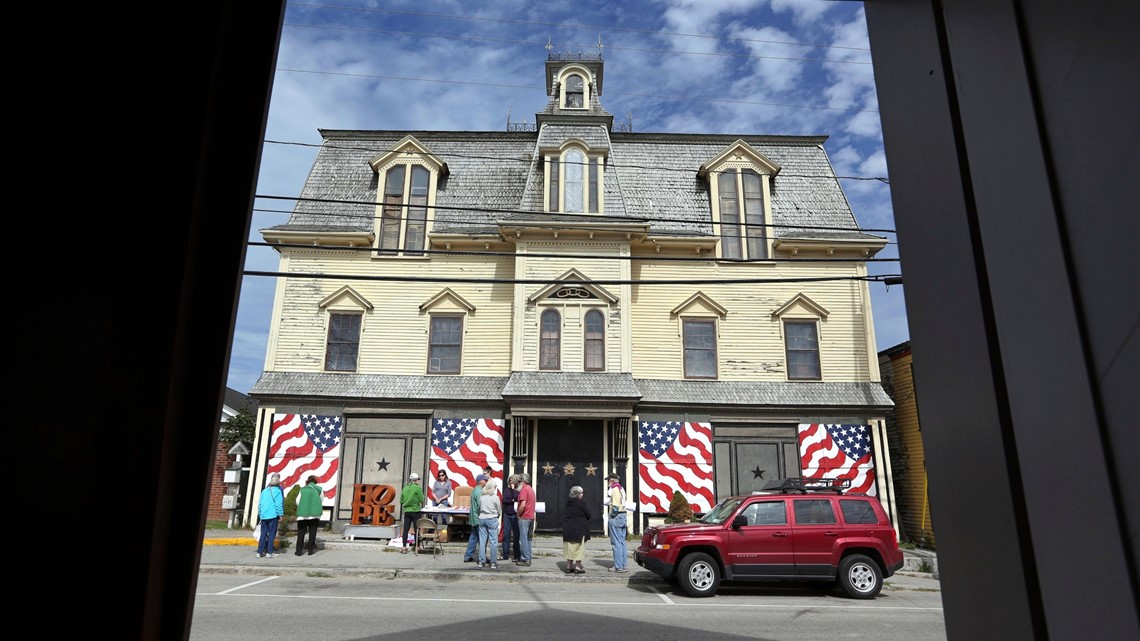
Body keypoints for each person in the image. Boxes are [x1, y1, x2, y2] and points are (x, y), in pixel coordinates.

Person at [562, 485, 592, 574]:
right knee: (579, 548)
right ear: (578, 494)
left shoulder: (567, 503)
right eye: (581, 493)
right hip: (579, 529)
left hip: (568, 528)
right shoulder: (581, 503)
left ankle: (568, 567)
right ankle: (578, 567)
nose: (582, 494)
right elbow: (589, 515)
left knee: (569, 547)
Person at [603, 472, 629, 573]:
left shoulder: (614, 489)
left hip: (617, 516)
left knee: (616, 543)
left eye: (608, 480)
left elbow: (615, 506)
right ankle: (623, 565)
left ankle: (618, 566)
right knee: (622, 542)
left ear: (611, 480)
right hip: (623, 515)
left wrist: (611, 516)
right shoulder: (621, 488)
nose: (608, 483)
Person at [256, 473, 285, 558]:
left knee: (263, 534)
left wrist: (260, 514)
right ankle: (269, 552)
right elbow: (278, 504)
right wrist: (280, 514)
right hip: (273, 515)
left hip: (264, 515)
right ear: (278, 482)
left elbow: (260, 504)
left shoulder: (264, 491)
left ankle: (259, 552)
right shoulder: (278, 491)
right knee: (272, 534)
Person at [477, 477, 502, 569]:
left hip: (482, 518)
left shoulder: (482, 497)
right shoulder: (495, 497)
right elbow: (499, 509)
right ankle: (493, 562)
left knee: (482, 541)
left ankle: (481, 561)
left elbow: (479, 508)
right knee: (493, 541)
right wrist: (498, 515)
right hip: (492, 518)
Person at [294, 475, 322, 556]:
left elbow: (297, 501)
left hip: (303, 514)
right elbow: (321, 499)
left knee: (301, 532)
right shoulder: (319, 489)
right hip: (315, 514)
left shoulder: (302, 489)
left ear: (308, 481)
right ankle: (310, 550)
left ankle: (299, 551)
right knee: (312, 532)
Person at [462, 474, 488, 563]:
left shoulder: (474, 490)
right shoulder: (480, 491)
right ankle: (481, 557)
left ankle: (468, 555)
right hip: (478, 518)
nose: (486, 481)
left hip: (473, 518)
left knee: (473, 537)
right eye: (485, 480)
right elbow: (480, 506)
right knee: (482, 538)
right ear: (481, 481)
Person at [399, 472, 425, 554]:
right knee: (416, 529)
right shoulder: (417, 488)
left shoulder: (405, 488)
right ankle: (417, 547)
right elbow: (421, 499)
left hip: (407, 511)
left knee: (405, 530)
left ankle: (404, 547)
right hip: (415, 511)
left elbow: (401, 500)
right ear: (416, 480)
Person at [514, 472, 535, 566]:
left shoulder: (524, 490)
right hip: (531, 517)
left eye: (518, 481)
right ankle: (528, 556)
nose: (517, 484)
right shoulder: (531, 489)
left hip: (524, 517)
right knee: (528, 539)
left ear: (522, 481)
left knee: (523, 539)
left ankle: (525, 558)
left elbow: (523, 505)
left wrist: (518, 514)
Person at [501, 474, 522, 562]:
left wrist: (513, 490)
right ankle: (505, 554)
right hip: (507, 514)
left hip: (514, 515)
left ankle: (517, 555)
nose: (511, 483)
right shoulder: (506, 490)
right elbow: (504, 500)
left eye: (512, 481)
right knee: (506, 535)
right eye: (510, 481)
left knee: (516, 536)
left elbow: (517, 498)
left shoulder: (518, 491)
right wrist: (512, 501)